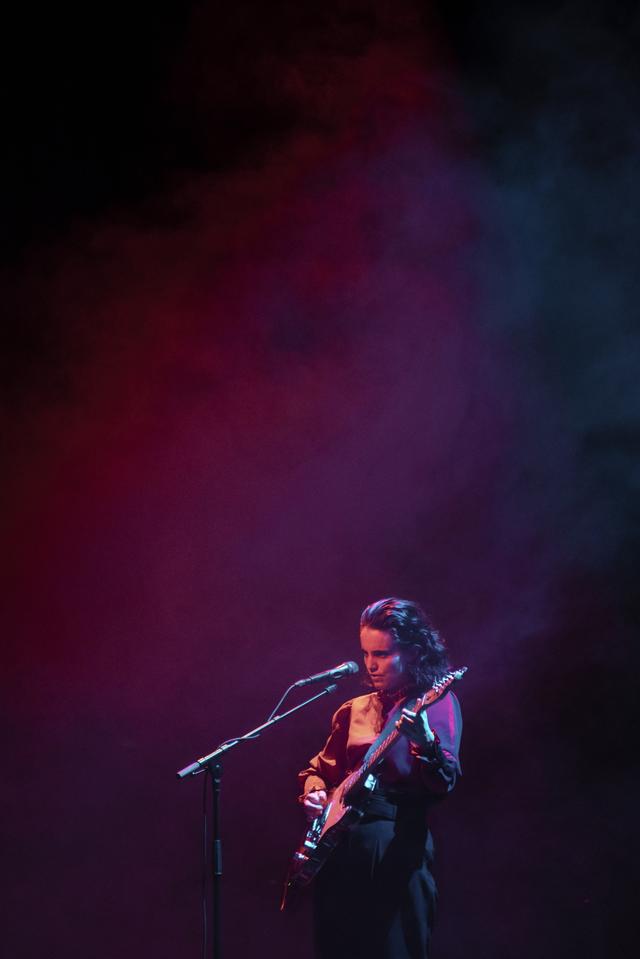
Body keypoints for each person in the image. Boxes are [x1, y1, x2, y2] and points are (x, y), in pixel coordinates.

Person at [297, 597, 463, 959]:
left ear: (414, 653)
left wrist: (426, 744)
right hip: (341, 851)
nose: (371, 664)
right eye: (366, 653)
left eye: (383, 654)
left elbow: (444, 782)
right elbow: (317, 772)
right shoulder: (353, 710)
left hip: (397, 846)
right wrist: (314, 794)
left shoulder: (435, 704)